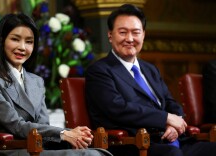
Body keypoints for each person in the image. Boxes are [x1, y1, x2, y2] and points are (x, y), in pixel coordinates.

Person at [85, 4, 216, 156]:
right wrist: (165, 118)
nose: (129, 39)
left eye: (136, 32)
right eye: (122, 32)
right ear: (110, 35)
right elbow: (117, 109)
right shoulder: (99, 70)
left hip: (170, 140)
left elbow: (170, 102)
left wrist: (174, 125)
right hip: (136, 144)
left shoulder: (150, 69)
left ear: (143, 35)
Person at [0, 13, 111, 156]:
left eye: (29, 42)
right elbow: (15, 125)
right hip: (7, 149)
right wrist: (65, 133)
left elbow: (43, 126)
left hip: (35, 148)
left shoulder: (36, 81)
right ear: (1, 41)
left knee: (95, 152)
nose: (22, 47)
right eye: (15, 39)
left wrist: (76, 136)